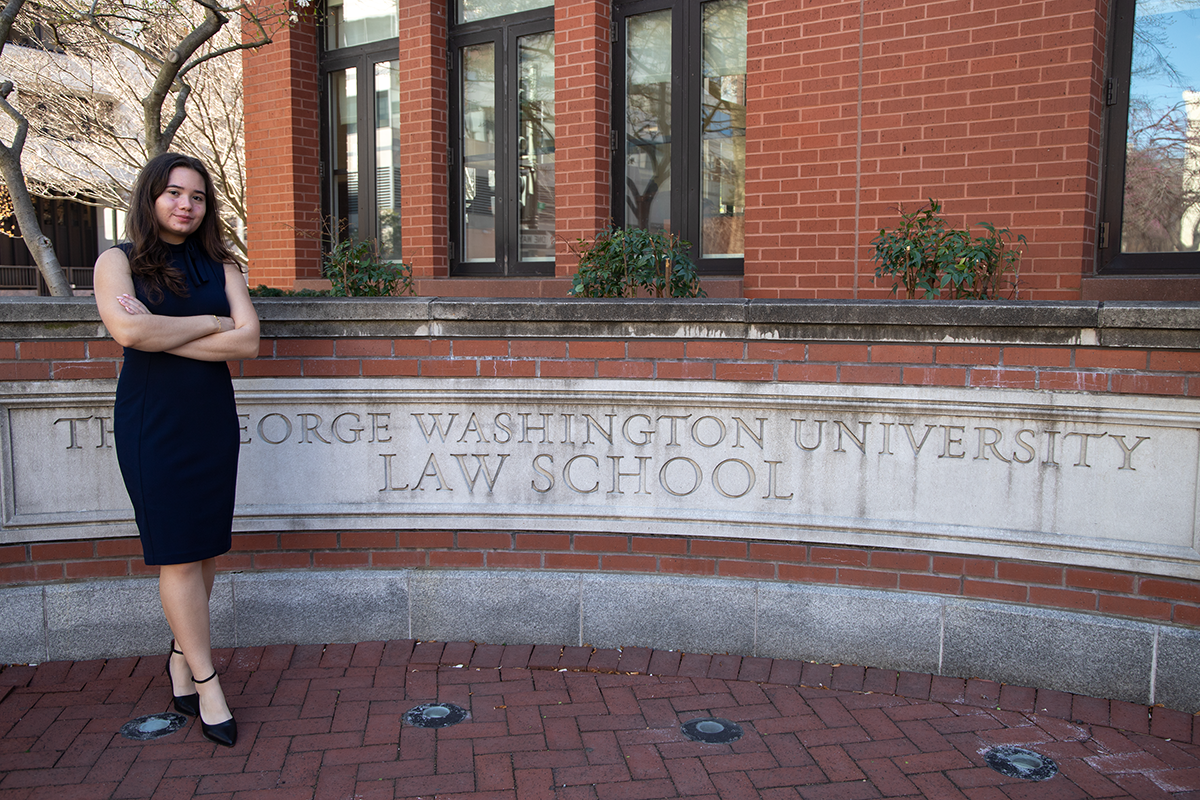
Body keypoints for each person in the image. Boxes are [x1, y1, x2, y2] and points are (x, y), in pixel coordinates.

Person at [94, 152, 260, 748]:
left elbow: (250, 343)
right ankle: (207, 680)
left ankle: (177, 657)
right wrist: (212, 322)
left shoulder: (221, 263)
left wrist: (176, 331)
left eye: (197, 195)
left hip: (209, 420)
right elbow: (132, 333)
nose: (185, 204)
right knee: (179, 555)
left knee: (205, 548)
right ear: (151, 197)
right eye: (173, 193)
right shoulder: (117, 262)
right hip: (152, 423)